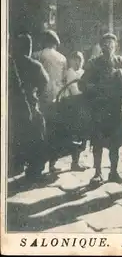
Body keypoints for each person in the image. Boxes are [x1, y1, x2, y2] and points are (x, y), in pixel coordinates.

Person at [80, 33, 122, 185]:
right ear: (101, 47)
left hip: (116, 108)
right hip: (99, 109)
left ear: (115, 46)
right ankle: (97, 173)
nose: (108, 47)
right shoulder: (93, 63)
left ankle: (114, 172)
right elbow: (82, 83)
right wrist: (91, 87)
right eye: (105, 44)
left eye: (111, 44)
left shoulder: (121, 62)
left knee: (115, 144)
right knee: (97, 142)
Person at [8, 33, 49, 181]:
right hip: (30, 105)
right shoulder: (35, 65)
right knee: (37, 135)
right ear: (29, 47)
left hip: (11, 106)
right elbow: (45, 82)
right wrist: (36, 93)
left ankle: (15, 164)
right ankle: (35, 169)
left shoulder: (9, 62)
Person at [33, 30, 68, 173]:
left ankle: (37, 165)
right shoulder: (62, 58)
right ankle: (52, 165)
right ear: (55, 43)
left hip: (41, 98)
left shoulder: (37, 55)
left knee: (40, 131)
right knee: (54, 131)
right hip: (57, 98)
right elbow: (64, 80)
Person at [63, 51, 87, 171]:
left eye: (80, 59)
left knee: (82, 135)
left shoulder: (83, 72)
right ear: (71, 60)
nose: (78, 62)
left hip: (83, 107)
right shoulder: (70, 73)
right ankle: (74, 162)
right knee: (75, 134)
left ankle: (76, 161)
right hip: (73, 106)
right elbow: (74, 91)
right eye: (75, 59)